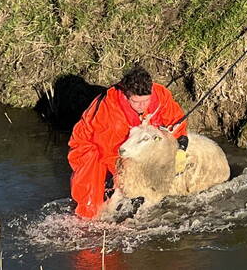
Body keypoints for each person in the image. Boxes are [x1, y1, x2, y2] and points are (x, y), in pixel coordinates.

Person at [68, 65, 188, 218]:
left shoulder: (159, 95)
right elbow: (110, 152)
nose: (142, 106)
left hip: (131, 141)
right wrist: (122, 182)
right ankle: (85, 225)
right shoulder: (111, 113)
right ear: (126, 95)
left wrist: (181, 147)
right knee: (91, 201)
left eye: (146, 101)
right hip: (91, 145)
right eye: (136, 102)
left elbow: (176, 122)